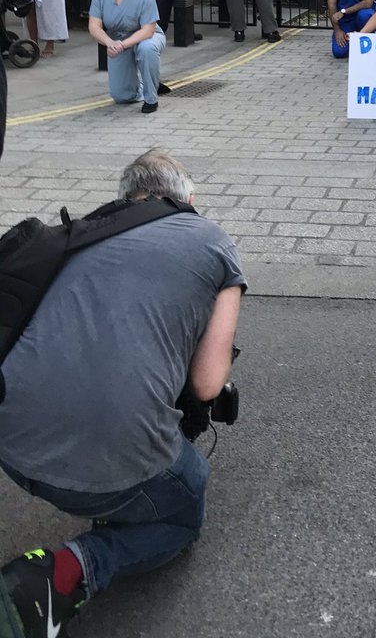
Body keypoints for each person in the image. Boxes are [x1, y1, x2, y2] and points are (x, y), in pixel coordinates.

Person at [0, 150, 245, 637]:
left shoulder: (83, 233)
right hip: (106, 462)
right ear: (189, 199)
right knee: (184, 502)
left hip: (10, 446)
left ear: (126, 197)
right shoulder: (213, 240)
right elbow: (206, 384)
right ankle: (70, 571)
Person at [88, 0, 167, 115]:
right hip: (118, 42)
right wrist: (110, 43)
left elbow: (148, 30)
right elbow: (94, 26)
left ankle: (151, 98)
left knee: (146, 49)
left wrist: (123, 45)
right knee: (121, 96)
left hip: (146, 37)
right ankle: (147, 82)